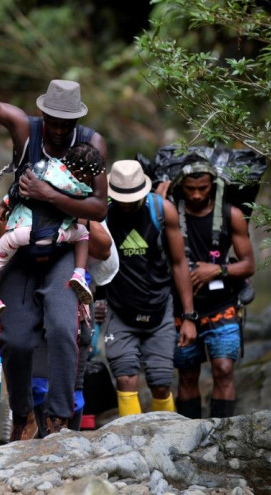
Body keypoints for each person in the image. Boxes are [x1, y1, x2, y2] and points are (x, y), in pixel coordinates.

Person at [0, 14, 108, 438]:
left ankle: (60, 417)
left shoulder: (91, 143)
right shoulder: (24, 130)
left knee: (65, 329)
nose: (61, 130)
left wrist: (49, 196)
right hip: (23, 254)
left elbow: (99, 207)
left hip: (64, 252)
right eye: (55, 121)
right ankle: (23, 412)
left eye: (68, 123)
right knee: (15, 339)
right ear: (44, 112)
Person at [102, 160, 197, 417]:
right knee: (125, 379)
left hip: (159, 307)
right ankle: (129, 446)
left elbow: (179, 263)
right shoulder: (102, 213)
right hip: (119, 308)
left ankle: (166, 442)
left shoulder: (162, 210)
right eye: (122, 198)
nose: (127, 203)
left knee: (161, 382)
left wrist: (188, 317)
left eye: (132, 198)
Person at [165, 163, 256, 418]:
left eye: (202, 188)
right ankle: (189, 435)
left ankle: (224, 435)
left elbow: (249, 265)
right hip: (180, 308)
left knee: (224, 368)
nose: (196, 195)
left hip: (222, 304)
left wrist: (218, 270)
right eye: (190, 188)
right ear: (181, 187)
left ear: (213, 186)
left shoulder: (231, 215)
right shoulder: (170, 213)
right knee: (187, 372)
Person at [0, 143, 106, 330]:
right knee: (82, 234)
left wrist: (5, 204)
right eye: (89, 178)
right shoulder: (79, 189)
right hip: (57, 235)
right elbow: (92, 209)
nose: (88, 182)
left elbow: (16, 191)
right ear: (82, 175)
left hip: (22, 232)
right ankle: (79, 274)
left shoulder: (44, 168)